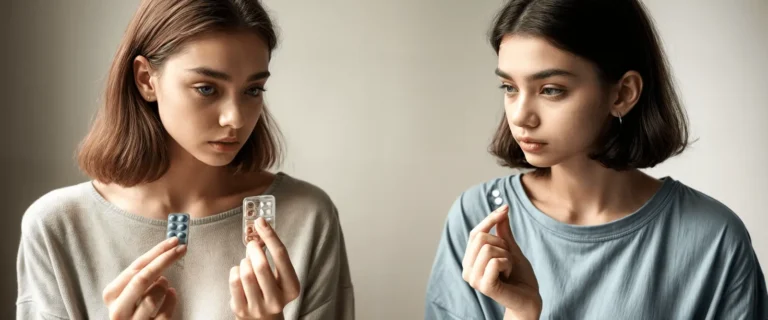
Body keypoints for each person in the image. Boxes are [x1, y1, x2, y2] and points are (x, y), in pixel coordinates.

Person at [424, 0, 768, 319]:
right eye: (510, 88)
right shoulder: (476, 220)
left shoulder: (714, 239)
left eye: (550, 89)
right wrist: (521, 312)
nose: (520, 116)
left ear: (622, 94)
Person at [15, 0, 354, 319]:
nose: (235, 118)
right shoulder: (58, 227)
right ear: (147, 79)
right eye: (207, 88)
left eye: (253, 90)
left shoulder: (307, 216)